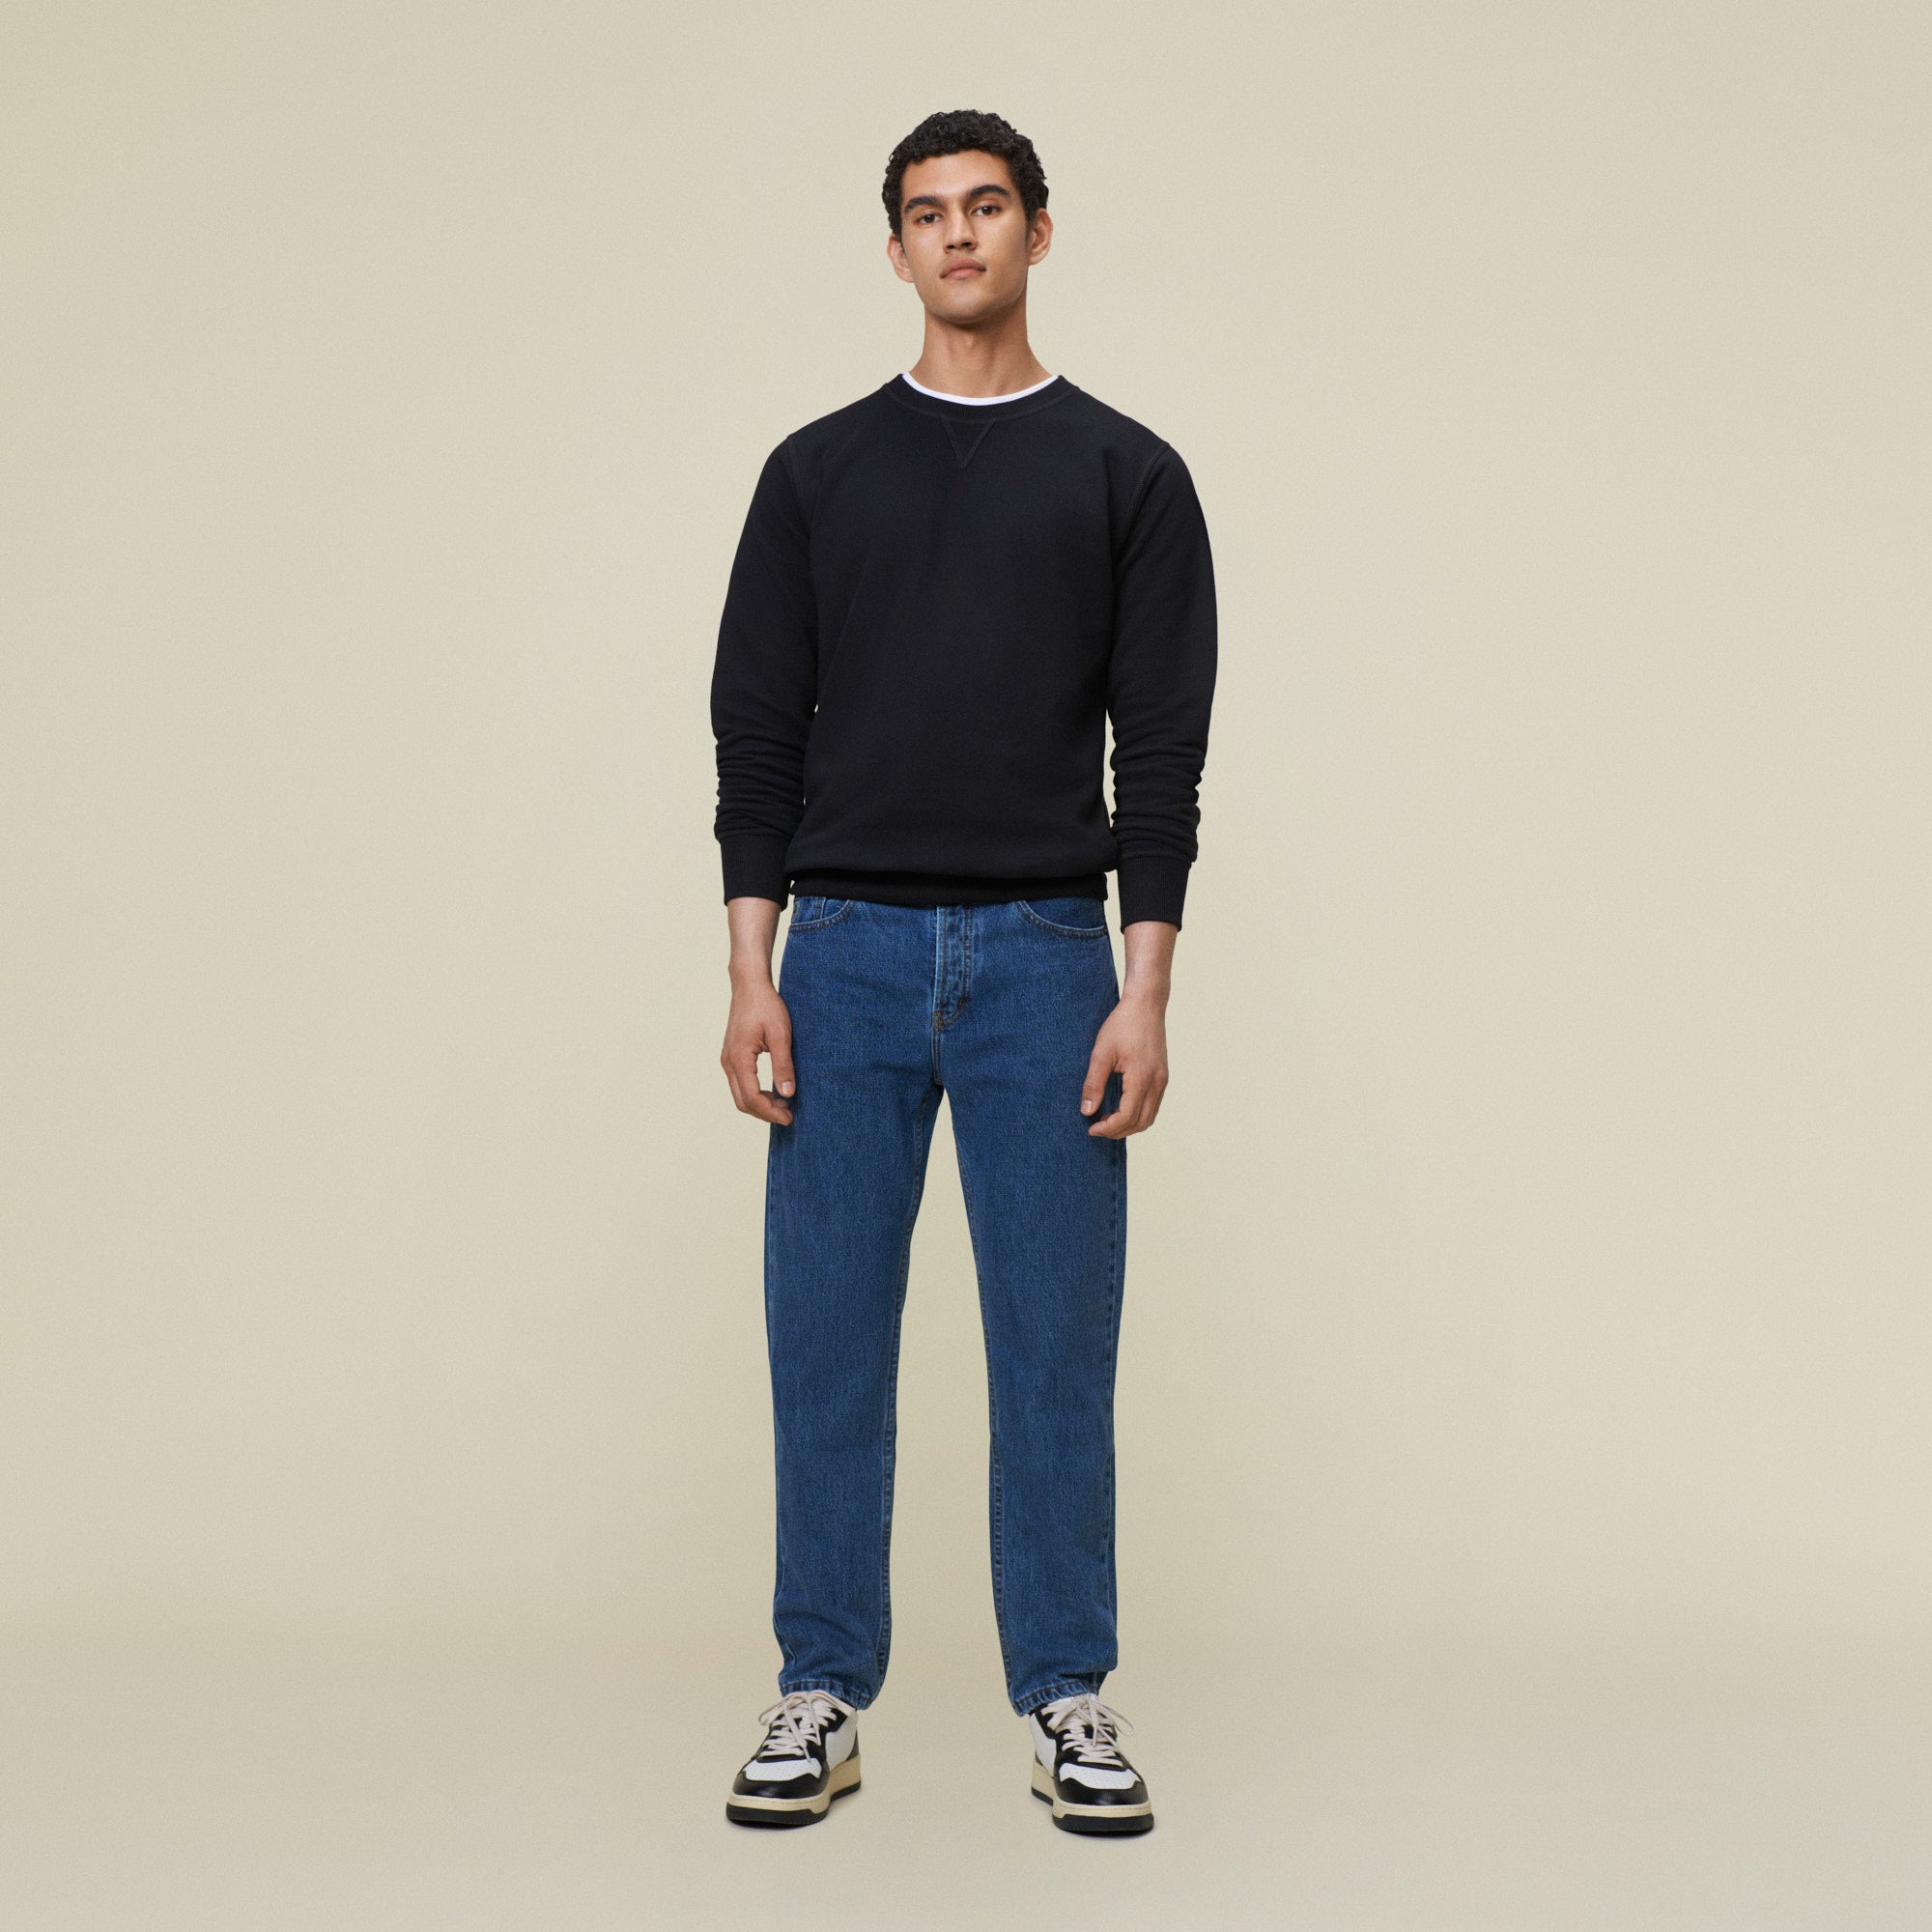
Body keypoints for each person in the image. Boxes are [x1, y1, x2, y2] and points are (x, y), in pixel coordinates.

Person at [710, 108, 1216, 1836]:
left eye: (987, 207)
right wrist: (752, 970)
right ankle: (819, 1690)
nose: (958, 235)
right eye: (927, 213)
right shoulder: (816, 473)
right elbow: (757, 736)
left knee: (1055, 1347)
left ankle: (1068, 1694)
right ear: (896, 248)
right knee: (826, 1340)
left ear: (1037, 232)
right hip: (842, 956)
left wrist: (1144, 990)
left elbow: (1162, 755)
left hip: (1046, 959)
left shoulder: (1126, 473)